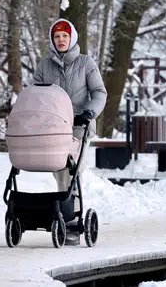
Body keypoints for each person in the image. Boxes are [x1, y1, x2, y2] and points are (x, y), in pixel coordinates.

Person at [32, 18, 107, 246]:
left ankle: (72, 222)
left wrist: (89, 113)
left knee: (71, 171)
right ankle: (63, 214)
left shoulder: (86, 63)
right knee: (60, 173)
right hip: (53, 128)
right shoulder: (45, 65)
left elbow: (99, 92)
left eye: (65, 36)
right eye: (57, 36)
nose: (61, 39)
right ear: (52, 40)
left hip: (78, 127)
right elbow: (35, 93)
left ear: (71, 38)